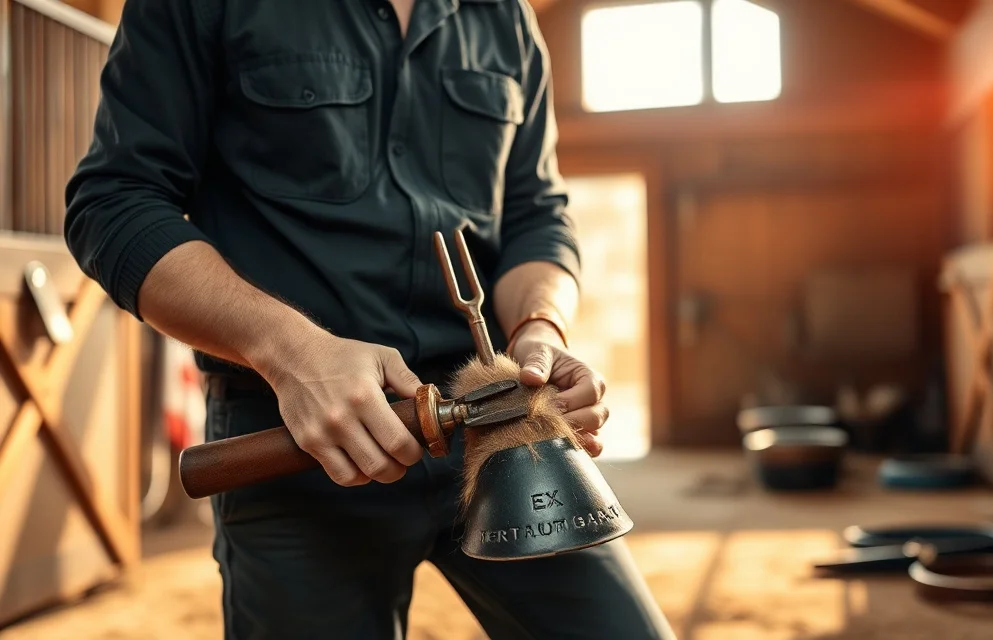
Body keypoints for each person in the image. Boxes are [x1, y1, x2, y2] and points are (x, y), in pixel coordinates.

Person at [64, 0, 674, 638]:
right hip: (297, 436)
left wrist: (540, 330)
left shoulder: (507, 19)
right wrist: (294, 351)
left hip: (501, 423)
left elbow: (537, 217)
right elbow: (114, 204)